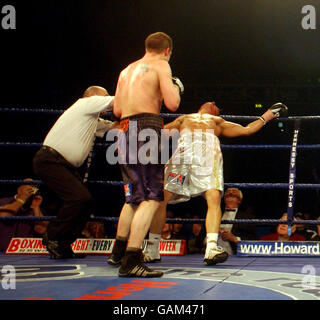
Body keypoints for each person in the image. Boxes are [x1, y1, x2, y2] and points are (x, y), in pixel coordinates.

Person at [143, 101, 287, 266]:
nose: (214, 103)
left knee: (213, 198)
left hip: (207, 158)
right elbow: (158, 134)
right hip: (182, 157)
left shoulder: (219, 122)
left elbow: (247, 129)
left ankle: (211, 248)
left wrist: (269, 114)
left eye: (218, 106)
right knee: (162, 198)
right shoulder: (183, 119)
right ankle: (153, 248)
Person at [107, 32, 182, 277]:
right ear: (167, 50)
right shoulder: (161, 64)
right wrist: (173, 88)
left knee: (134, 196)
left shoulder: (126, 70)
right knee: (151, 196)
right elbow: (173, 104)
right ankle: (131, 258)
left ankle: (117, 252)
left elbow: (117, 109)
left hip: (124, 129)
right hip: (146, 127)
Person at [33, 86, 116, 259]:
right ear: (93, 96)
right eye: (104, 96)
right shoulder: (85, 104)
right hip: (51, 160)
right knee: (80, 198)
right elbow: (119, 101)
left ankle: (62, 244)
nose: (106, 98)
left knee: (87, 202)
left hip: (62, 165)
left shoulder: (91, 120)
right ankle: (53, 236)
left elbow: (115, 129)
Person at [0, 178, 48, 251]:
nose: (31, 188)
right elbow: (4, 216)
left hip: (24, 252)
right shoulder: (4, 202)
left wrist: (36, 207)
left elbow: (41, 230)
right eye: (28, 186)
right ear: (19, 189)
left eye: (34, 186)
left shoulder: (35, 207)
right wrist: (22, 199)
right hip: (2, 251)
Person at [218, 188, 256, 255]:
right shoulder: (214, 215)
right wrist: (213, 235)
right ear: (224, 198)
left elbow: (253, 239)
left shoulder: (247, 218)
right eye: (228, 191)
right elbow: (199, 240)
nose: (230, 192)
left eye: (234, 192)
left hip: (234, 254)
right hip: (211, 252)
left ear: (239, 200)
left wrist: (234, 239)